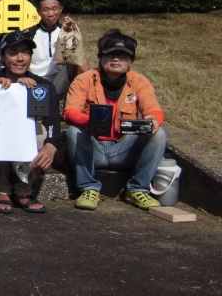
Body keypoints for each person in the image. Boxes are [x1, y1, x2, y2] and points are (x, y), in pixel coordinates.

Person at [65, 30, 166, 211]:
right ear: (100, 57)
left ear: (130, 61)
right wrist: (90, 122)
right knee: (74, 131)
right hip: (94, 147)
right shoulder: (84, 80)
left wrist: (154, 119)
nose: (116, 59)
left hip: (123, 149)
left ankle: (137, 189)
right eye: (110, 54)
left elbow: (154, 110)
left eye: (122, 56)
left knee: (159, 134)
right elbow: (70, 112)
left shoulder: (139, 81)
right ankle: (88, 188)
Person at [0, 31, 61, 214]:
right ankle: (1, 190)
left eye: (25, 52)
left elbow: (53, 121)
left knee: (40, 135)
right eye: (13, 53)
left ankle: (24, 191)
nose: (20, 58)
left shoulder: (42, 86)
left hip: (24, 145)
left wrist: (51, 146)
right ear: (2, 57)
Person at [21, 0, 88, 101]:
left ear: (60, 9)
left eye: (54, 9)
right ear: (38, 11)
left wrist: (71, 33)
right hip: (33, 79)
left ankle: (82, 100)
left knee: (82, 63)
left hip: (59, 78)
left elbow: (77, 57)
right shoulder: (30, 33)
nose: (51, 14)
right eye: (46, 10)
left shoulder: (65, 31)